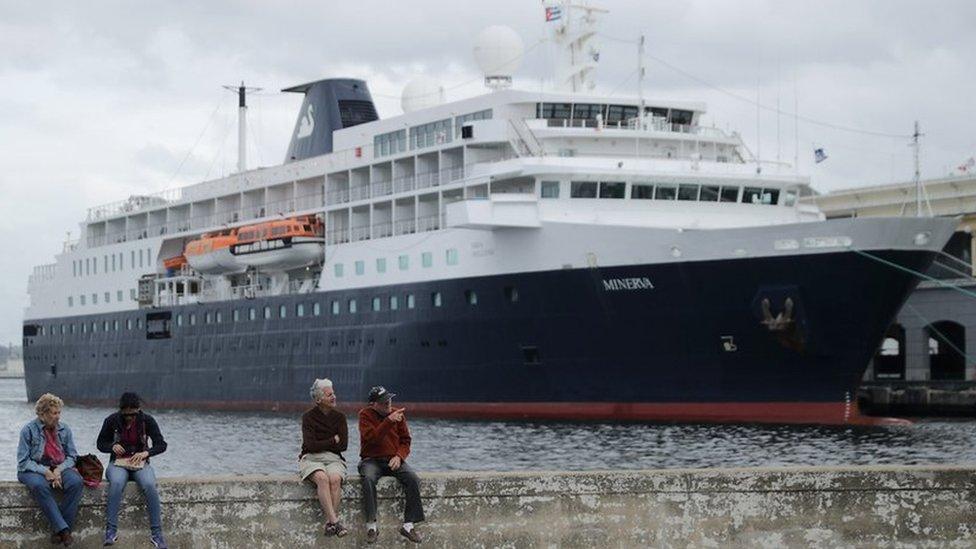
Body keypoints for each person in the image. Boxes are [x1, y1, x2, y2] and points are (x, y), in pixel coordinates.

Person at [96, 392, 169, 548]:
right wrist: (112, 447)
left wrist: (146, 453)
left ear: (138, 410)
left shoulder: (147, 421)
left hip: (140, 463)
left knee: (149, 484)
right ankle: (111, 531)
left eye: (133, 414)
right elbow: (100, 443)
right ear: (121, 411)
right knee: (116, 483)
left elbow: (161, 444)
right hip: (118, 463)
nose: (129, 418)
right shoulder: (111, 420)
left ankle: (156, 534)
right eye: (126, 414)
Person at [358, 386, 425, 544]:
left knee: (413, 479)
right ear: (373, 404)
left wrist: (399, 456)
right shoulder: (365, 415)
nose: (388, 403)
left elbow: (405, 440)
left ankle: (408, 525)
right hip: (371, 459)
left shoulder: (398, 414)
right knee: (367, 479)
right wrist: (388, 421)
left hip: (393, 459)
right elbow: (372, 439)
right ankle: (372, 526)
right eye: (383, 401)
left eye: (389, 399)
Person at [16, 393, 83, 547]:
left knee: (76, 482)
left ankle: (58, 529)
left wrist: (58, 470)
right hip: (32, 469)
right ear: (43, 414)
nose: (58, 417)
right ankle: (65, 531)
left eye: (59, 412)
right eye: (54, 413)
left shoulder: (65, 429)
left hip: (58, 466)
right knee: (40, 486)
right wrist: (45, 472)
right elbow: (23, 461)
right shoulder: (28, 430)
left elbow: (72, 456)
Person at [299, 378, 349, 537]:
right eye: (329, 395)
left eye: (333, 393)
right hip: (311, 458)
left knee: (335, 479)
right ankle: (335, 522)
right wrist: (332, 440)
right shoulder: (308, 417)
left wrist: (324, 443)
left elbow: (343, 446)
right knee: (322, 478)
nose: (334, 397)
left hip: (333, 458)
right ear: (318, 399)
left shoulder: (340, 417)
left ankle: (329, 524)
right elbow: (310, 446)